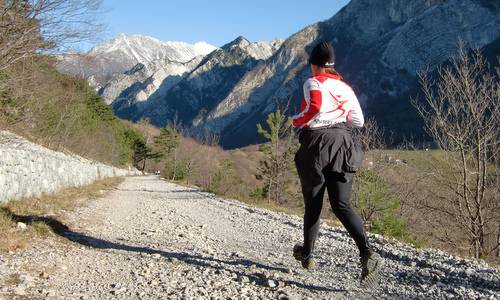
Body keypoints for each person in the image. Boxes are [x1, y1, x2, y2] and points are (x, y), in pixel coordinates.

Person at [291, 41, 384, 288]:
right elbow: (358, 121)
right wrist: (337, 122)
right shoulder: (346, 87)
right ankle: (367, 253)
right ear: (332, 65)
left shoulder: (313, 82)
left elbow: (315, 107)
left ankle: (308, 254)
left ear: (314, 64)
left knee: (313, 205)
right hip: (344, 145)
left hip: (316, 147)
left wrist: (295, 121)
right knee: (342, 205)